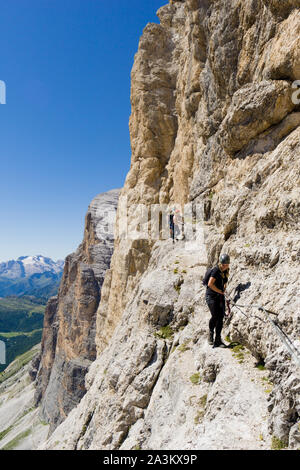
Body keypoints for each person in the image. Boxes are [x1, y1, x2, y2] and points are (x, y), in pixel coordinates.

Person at [205, 253, 230, 348]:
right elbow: (210, 284)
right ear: (220, 263)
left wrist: (223, 289)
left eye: (226, 265)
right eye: (223, 265)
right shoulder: (216, 270)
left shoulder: (226, 271)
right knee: (215, 316)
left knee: (220, 317)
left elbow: (224, 282)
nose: (224, 266)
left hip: (219, 296)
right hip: (211, 297)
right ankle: (211, 333)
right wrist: (220, 291)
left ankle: (218, 340)